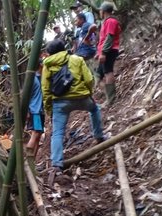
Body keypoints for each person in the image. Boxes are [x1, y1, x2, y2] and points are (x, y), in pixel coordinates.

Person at [41, 39, 104, 173]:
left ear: (49, 53)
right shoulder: (76, 59)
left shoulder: (47, 66)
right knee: (94, 109)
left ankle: (57, 164)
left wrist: (49, 109)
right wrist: (89, 93)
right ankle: (99, 136)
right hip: (81, 97)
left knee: (57, 132)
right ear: (64, 48)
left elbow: (45, 90)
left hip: (60, 102)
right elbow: (88, 79)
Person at [95, 2, 121, 106]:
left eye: (100, 10)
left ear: (104, 11)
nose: (100, 12)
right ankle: (108, 96)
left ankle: (111, 99)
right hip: (105, 51)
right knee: (98, 74)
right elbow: (103, 39)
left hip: (109, 50)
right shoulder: (105, 22)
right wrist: (99, 53)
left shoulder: (111, 21)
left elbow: (109, 38)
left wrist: (104, 53)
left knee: (108, 72)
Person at [26, 60, 45, 158]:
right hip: (35, 110)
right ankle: (28, 161)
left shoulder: (38, 78)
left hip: (39, 110)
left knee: (38, 135)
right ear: (40, 66)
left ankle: (32, 162)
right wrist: (27, 111)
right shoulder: (32, 79)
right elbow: (26, 96)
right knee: (35, 134)